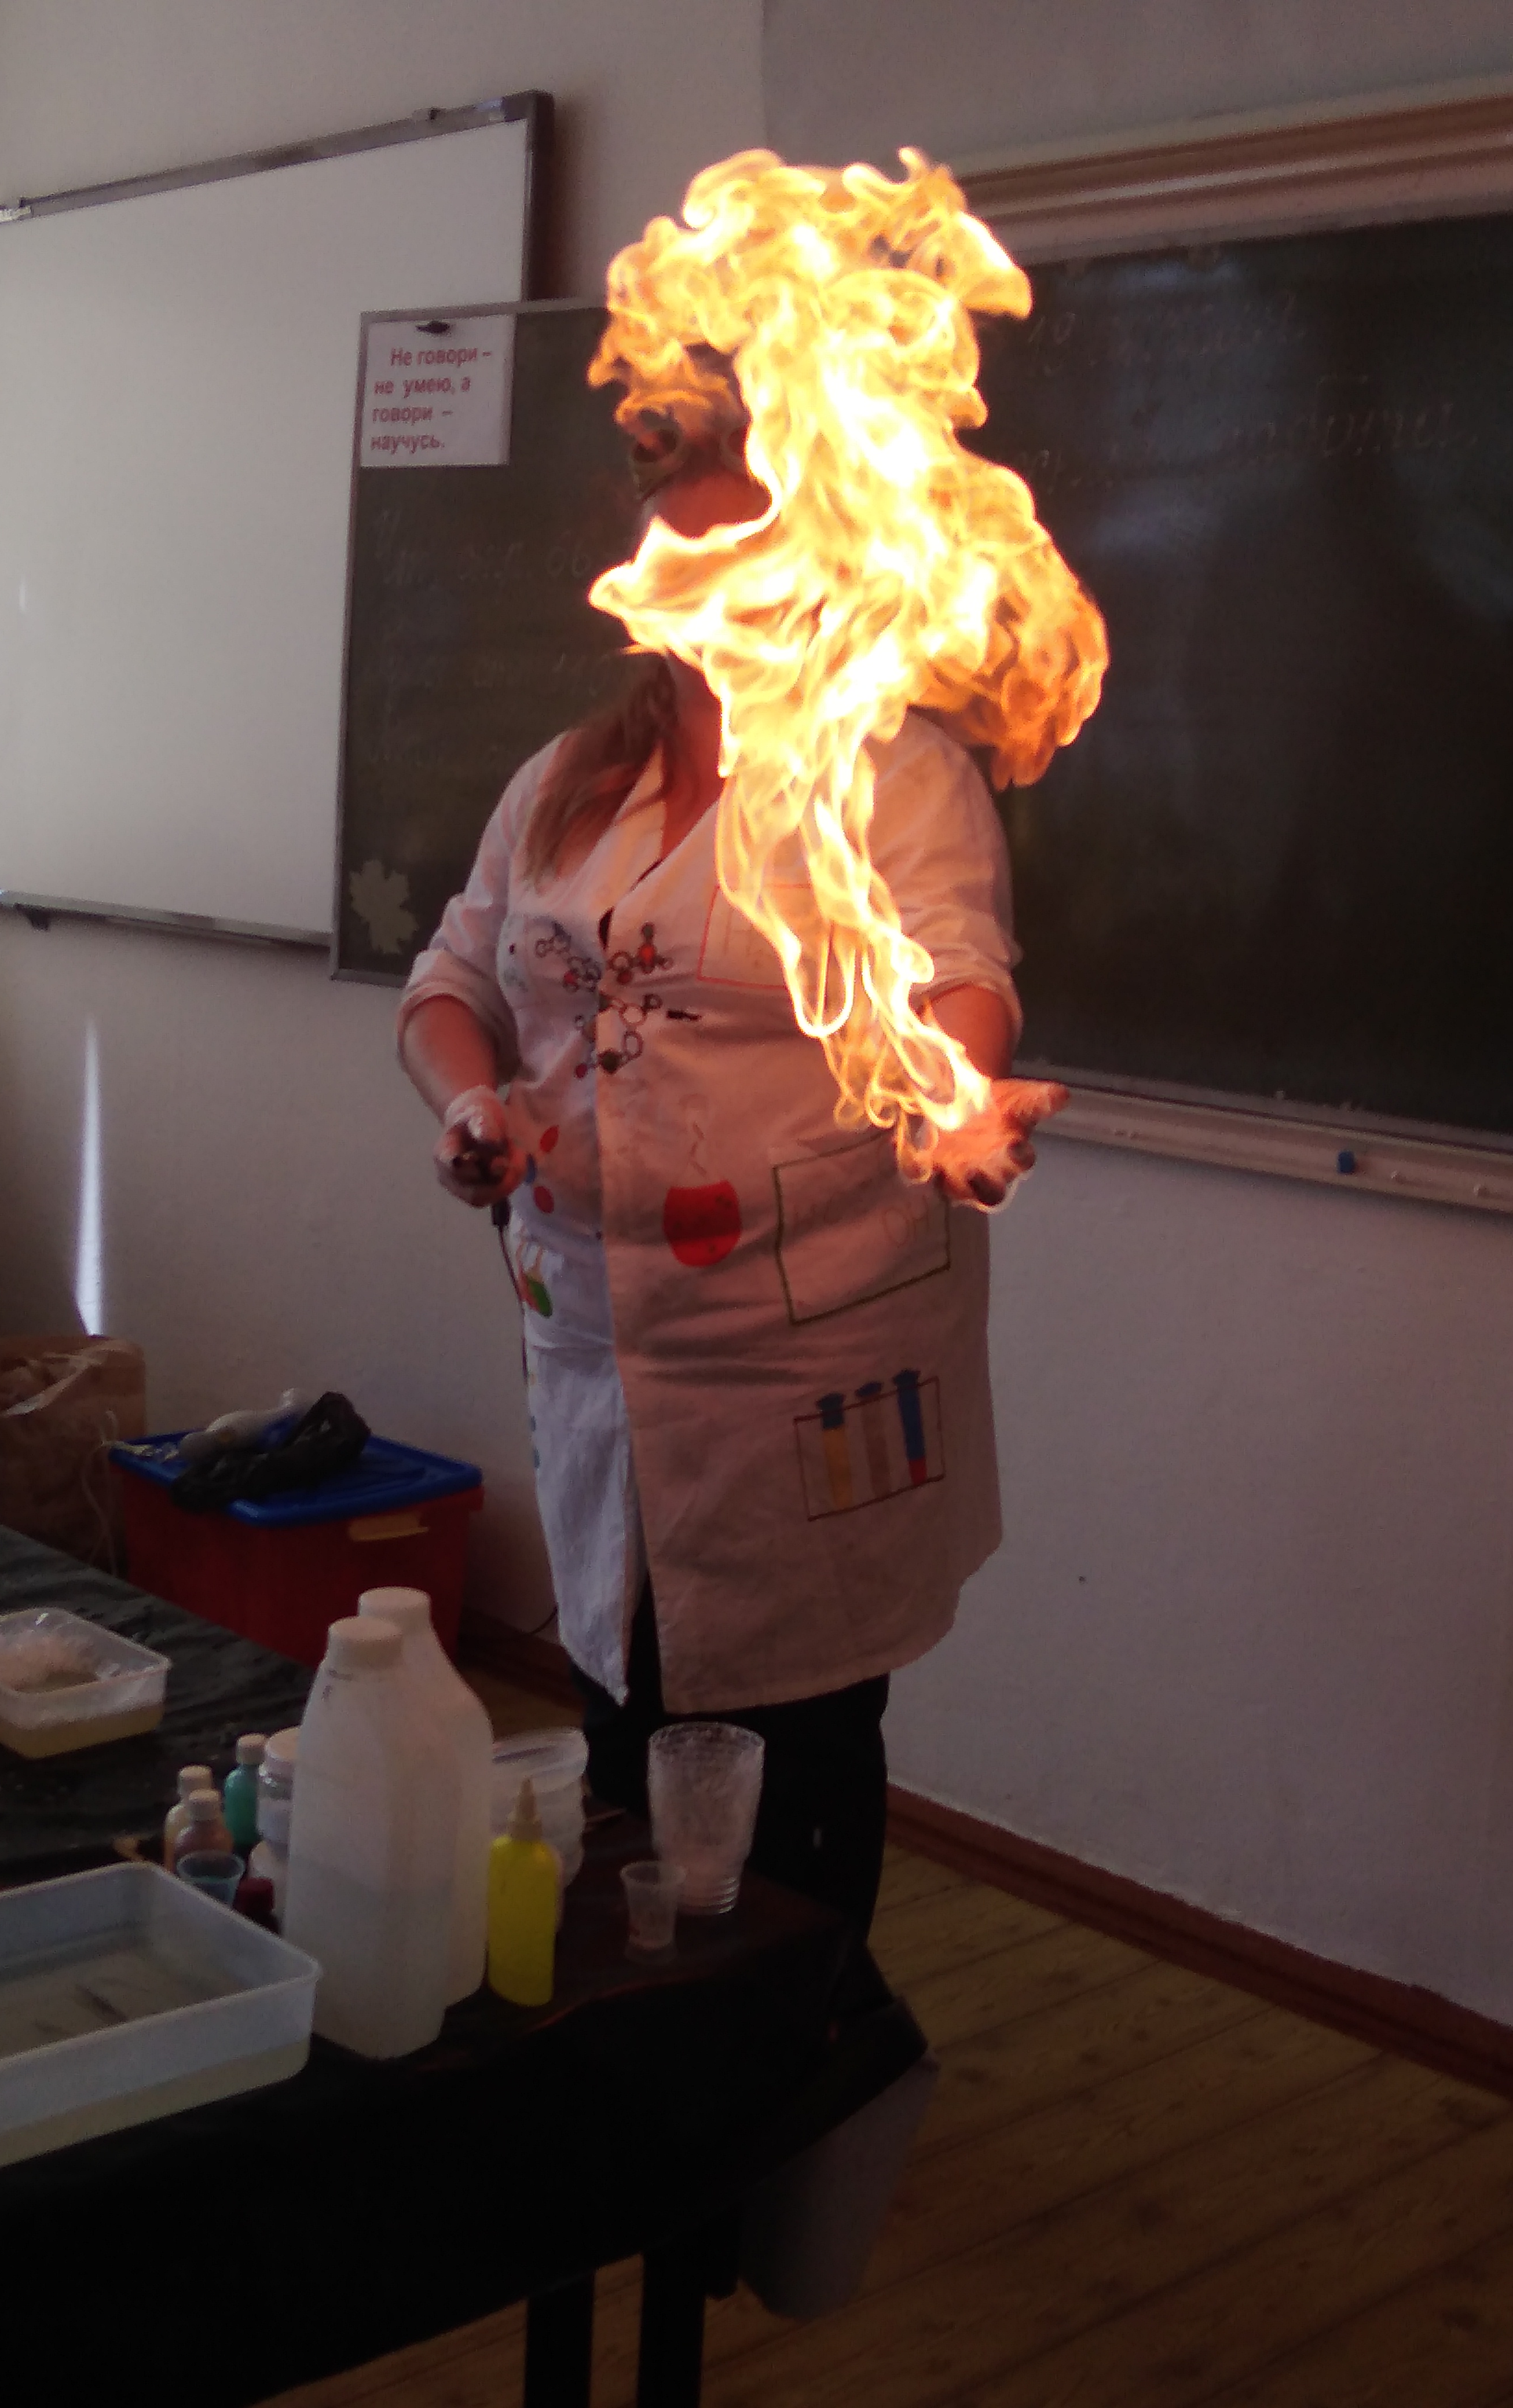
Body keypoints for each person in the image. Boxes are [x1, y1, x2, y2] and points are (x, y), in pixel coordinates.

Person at [398, 445, 1069, 1941]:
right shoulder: (566, 785)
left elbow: (961, 980)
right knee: (623, 1697)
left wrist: (957, 1094)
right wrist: (470, 1106)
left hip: (804, 1352)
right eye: (677, 559)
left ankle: (809, 2026)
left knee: (796, 1739)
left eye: (744, 555)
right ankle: (667, 2015)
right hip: (596, 1337)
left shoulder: (896, 777)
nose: (706, 591)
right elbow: (453, 985)